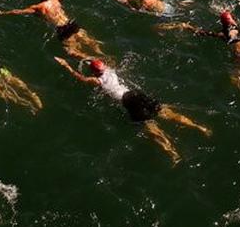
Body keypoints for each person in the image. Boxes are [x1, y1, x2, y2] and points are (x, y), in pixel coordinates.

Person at [54, 57, 210, 163]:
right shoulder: (110, 70)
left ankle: (173, 153)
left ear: (95, 72)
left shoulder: (98, 80)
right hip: (135, 93)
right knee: (164, 112)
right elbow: (98, 61)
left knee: (149, 125)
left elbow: (78, 77)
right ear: (104, 66)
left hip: (127, 100)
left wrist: (65, 65)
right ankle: (199, 127)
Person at [0, 0, 105, 60]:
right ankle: (101, 54)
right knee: (89, 40)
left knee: (70, 50)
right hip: (70, 23)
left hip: (62, 30)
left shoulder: (39, 6)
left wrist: (2, 12)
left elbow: (19, 11)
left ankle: (90, 58)